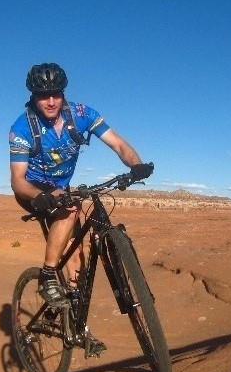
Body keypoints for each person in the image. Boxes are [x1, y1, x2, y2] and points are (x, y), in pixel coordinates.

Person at [9, 63, 154, 312]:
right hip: (32, 190)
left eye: (56, 94)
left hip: (61, 189)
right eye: (44, 96)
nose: (51, 101)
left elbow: (118, 144)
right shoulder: (22, 128)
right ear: (33, 97)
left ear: (64, 93)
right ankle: (48, 275)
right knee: (71, 207)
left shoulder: (81, 114)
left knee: (78, 253)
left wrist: (136, 165)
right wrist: (38, 195)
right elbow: (17, 180)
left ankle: (76, 318)